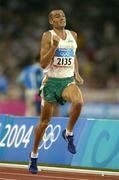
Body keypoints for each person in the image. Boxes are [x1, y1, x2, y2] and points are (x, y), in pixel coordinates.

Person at [29, 9, 84, 174]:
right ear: (51, 21)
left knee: (79, 102)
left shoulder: (73, 35)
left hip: (67, 81)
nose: (62, 18)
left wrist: (77, 73)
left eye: (63, 15)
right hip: (51, 83)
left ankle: (68, 133)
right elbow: (43, 64)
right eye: (57, 16)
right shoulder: (48, 36)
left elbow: (73, 55)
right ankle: (33, 156)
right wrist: (53, 47)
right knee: (45, 122)